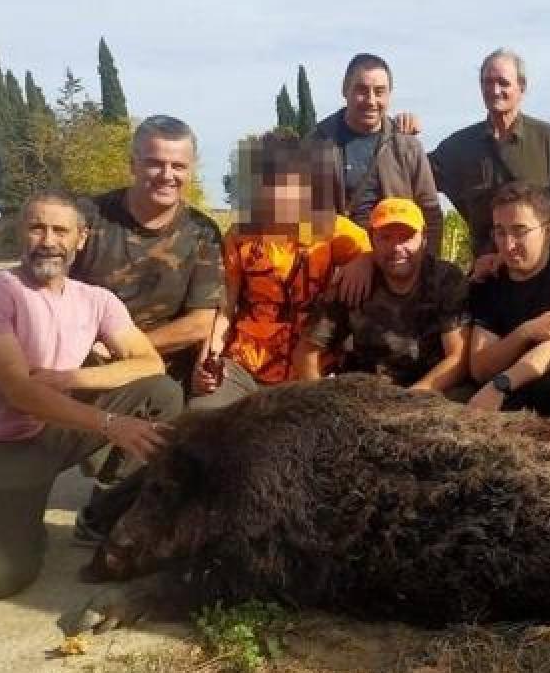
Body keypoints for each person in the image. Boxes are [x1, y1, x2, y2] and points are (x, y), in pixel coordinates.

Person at [0, 192, 183, 599]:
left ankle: (107, 510)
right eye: (37, 227)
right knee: (0, 579)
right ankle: (5, 509)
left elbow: (149, 364)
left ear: (81, 239)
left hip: (55, 429)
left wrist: (70, 377)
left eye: (60, 230)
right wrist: (110, 424)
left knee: (161, 394)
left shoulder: (96, 300)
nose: (48, 240)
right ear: (21, 233)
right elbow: (20, 392)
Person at [189, 130, 370, 409]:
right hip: (245, 365)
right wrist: (208, 357)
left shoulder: (336, 230)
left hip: (312, 366)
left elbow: (377, 256)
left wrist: (364, 261)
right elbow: (225, 308)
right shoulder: (239, 236)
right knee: (203, 413)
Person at [71, 115, 225, 388]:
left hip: (163, 373)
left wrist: (128, 352)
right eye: (154, 163)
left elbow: (201, 322)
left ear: (190, 171)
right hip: (84, 365)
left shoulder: (204, 233)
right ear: (133, 165)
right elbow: (43, 290)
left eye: (178, 166)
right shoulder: (85, 217)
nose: (167, 175)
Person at [307, 53, 443, 305]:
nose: (371, 100)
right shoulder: (316, 145)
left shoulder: (406, 147)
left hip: (397, 270)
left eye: (379, 91)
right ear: (344, 90)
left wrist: (424, 276)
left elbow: (430, 214)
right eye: (361, 90)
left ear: (389, 95)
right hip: (331, 273)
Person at [300, 198, 470, 392]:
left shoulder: (446, 280)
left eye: (406, 237)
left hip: (431, 394)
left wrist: (412, 400)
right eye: (386, 237)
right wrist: (319, 400)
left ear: (423, 239)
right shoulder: (352, 282)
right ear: (372, 240)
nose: (397, 248)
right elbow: (307, 351)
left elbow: (458, 357)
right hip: (365, 397)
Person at [467, 183, 550, 420]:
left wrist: (501, 384)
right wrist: (526, 331)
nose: (508, 245)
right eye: (500, 232)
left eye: (520, 231)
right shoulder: (491, 279)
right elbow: (480, 367)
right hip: (502, 389)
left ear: (547, 232)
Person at [429, 48, 550, 260]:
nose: (494, 90)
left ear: (521, 88)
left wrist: (549, 232)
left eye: (503, 83)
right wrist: (401, 135)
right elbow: (412, 172)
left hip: (547, 265)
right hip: (489, 270)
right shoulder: (457, 147)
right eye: (488, 82)